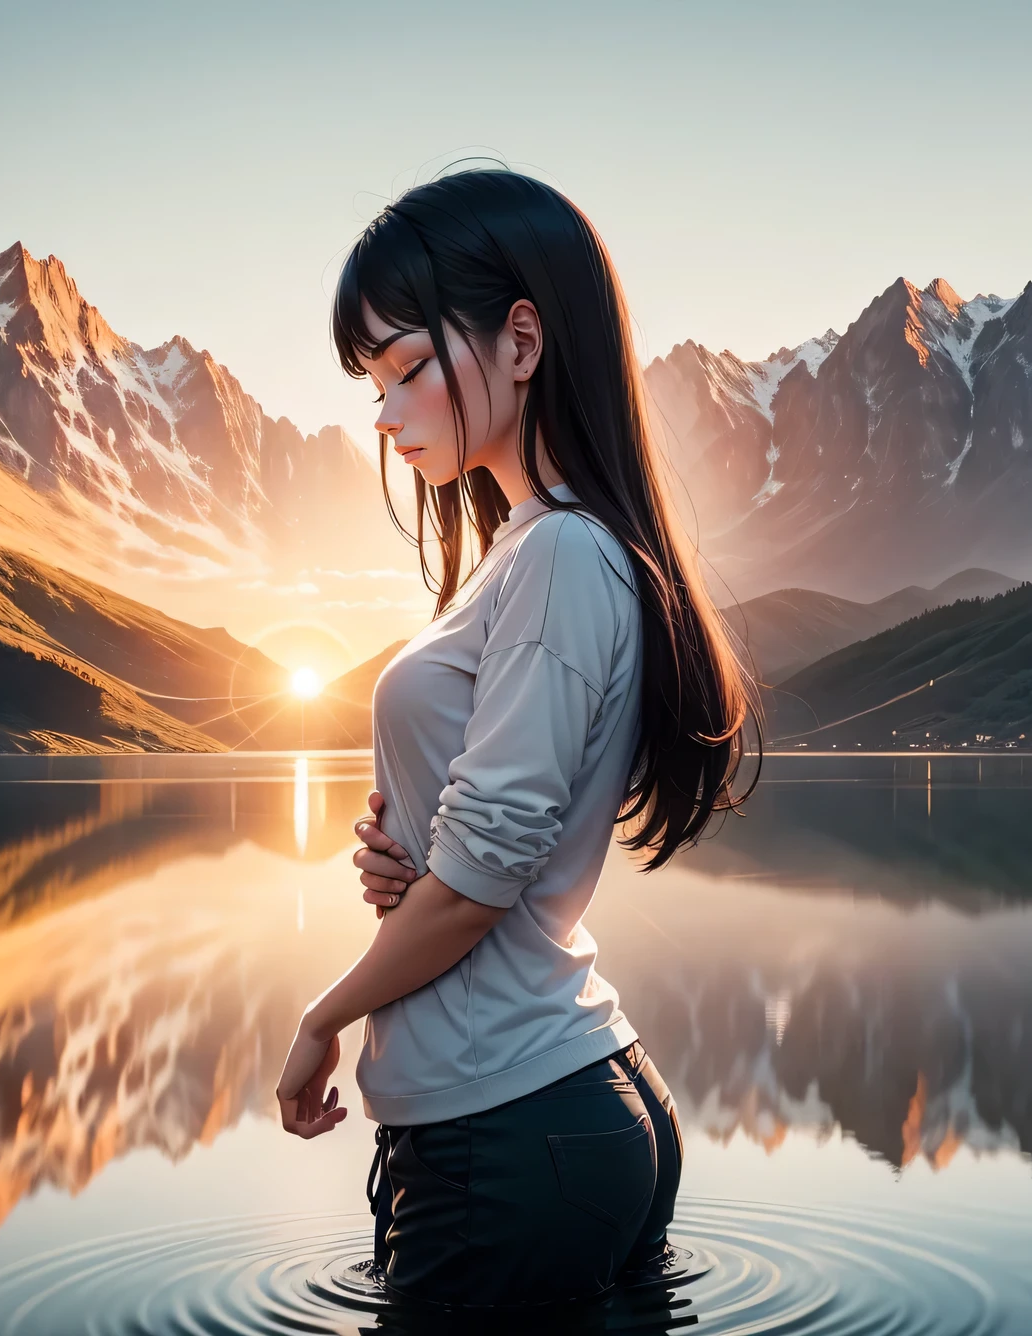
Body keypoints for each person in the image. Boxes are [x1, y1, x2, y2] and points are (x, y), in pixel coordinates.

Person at [271, 169, 754, 1309]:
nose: (385, 418)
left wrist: (321, 1016)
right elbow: (486, 853)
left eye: (405, 368)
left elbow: (484, 884)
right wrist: (414, 867)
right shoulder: (532, 550)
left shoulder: (559, 557)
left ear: (522, 340)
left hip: (507, 1131)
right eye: (371, 385)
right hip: (553, 1108)